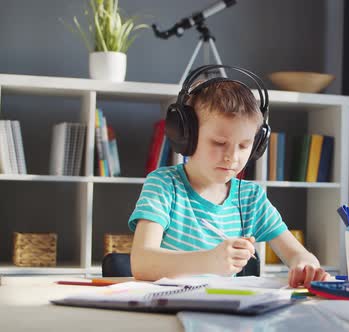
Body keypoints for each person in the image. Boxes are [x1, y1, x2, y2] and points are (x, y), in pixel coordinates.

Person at [128, 65, 330, 288]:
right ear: (187, 136)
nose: (232, 157)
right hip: (167, 307)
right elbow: (142, 262)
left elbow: (298, 254)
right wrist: (209, 261)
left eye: (244, 146)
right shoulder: (164, 185)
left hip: (220, 311)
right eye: (219, 143)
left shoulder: (250, 197)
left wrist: (306, 265)